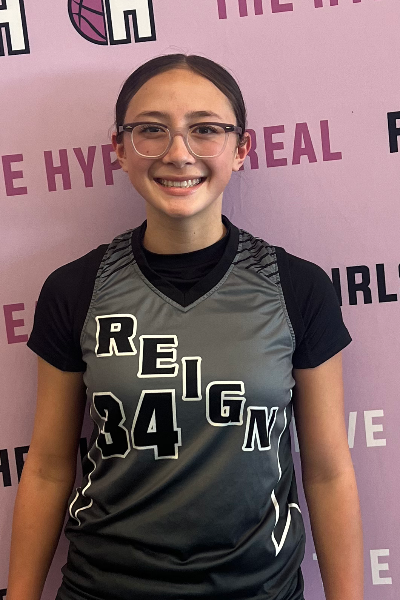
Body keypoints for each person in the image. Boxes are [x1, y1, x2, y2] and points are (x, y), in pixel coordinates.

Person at [7, 54, 363, 600]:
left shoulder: (298, 287)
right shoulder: (74, 289)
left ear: (241, 148)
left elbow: (328, 470)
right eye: (151, 130)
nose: (178, 153)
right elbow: (50, 468)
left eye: (205, 130)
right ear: (120, 149)